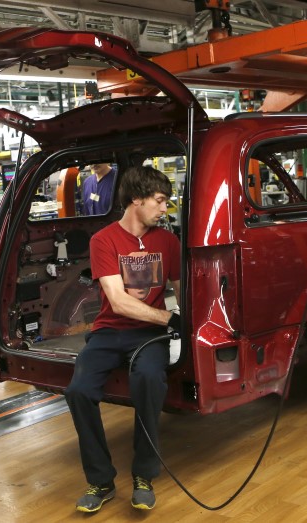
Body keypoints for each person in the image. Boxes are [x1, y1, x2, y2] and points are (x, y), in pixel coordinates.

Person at [65, 165, 181, 513]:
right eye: (159, 201)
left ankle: (144, 475)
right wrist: (171, 318)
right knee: (79, 391)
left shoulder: (168, 241)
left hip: (149, 336)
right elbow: (117, 300)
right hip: (110, 331)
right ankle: (100, 481)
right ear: (136, 199)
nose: (165, 209)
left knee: (147, 378)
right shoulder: (104, 240)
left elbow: (181, 287)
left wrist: (191, 321)